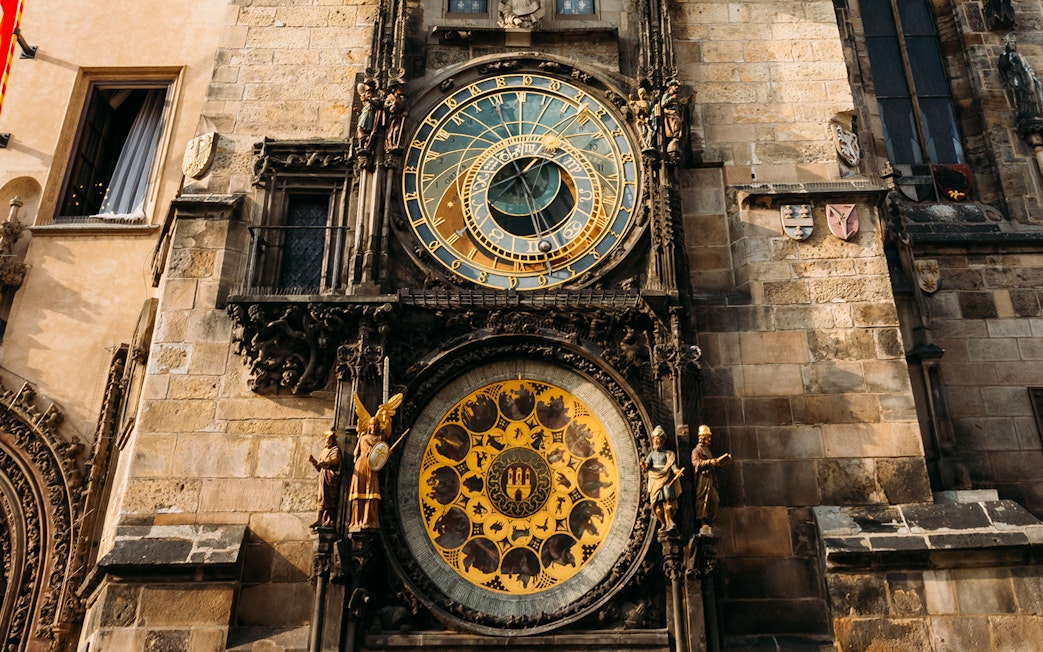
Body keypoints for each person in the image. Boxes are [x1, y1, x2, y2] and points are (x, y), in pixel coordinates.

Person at [349, 393, 402, 530]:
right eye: (371, 424)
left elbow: (388, 434)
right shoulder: (364, 437)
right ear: (368, 425)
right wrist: (382, 453)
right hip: (362, 465)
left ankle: (369, 519)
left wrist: (387, 418)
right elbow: (363, 452)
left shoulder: (380, 437)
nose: (373, 426)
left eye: (375, 424)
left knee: (371, 493)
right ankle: (357, 521)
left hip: (372, 467)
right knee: (359, 492)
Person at [691, 424, 731, 535]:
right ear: (703, 437)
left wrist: (718, 462)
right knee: (704, 499)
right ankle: (703, 521)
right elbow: (695, 463)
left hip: (710, 478)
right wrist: (709, 462)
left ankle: (711, 520)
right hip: (703, 478)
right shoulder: (696, 450)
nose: (710, 439)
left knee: (715, 499)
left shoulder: (708, 451)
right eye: (708, 437)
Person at [641, 426, 682, 531]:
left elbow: (672, 465)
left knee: (668, 499)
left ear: (662, 441)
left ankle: (670, 521)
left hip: (666, 477)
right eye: (654, 439)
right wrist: (644, 465)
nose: (655, 441)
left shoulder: (667, 454)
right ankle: (663, 523)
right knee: (657, 505)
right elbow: (647, 465)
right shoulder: (652, 454)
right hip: (655, 478)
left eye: (657, 439)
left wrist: (676, 470)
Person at [999, 35, 1043, 121]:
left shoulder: (1018, 55)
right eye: (1011, 42)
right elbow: (1003, 66)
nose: (1013, 44)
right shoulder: (1005, 55)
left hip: (1026, 76)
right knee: (1020, 91)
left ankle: (1032, 111)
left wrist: (1032, 75)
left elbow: (1026, 65)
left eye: (1014, 43)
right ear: (1007, 44)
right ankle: (1023, 110)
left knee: (1030, 92)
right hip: (1015, 76)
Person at [309, 430, 342, 529]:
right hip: (323, 477)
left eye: (329, 438)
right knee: (320, 499)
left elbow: (335, 460)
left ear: (333, 440)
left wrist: (326, 462)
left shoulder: (335, 449)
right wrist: (314, 461)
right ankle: (319, 520)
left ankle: (330, 520)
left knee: (329, 499)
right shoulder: (324, 451)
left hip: (330, 478)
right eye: (326, 438)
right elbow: (319, 468)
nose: (327, 440)